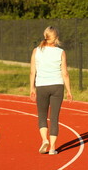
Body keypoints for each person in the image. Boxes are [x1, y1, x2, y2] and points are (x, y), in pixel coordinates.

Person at [29, 26, 72, 155]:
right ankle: (53, 148)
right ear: (56, 38)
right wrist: (69, 91)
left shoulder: (36, 51)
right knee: (54, 118)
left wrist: (32, 88)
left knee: (42, 116)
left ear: (45, 35)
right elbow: (65, 73)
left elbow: (32, 71)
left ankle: (44, 140)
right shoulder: (61, 52)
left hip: (42, 85)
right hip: (57, 86)